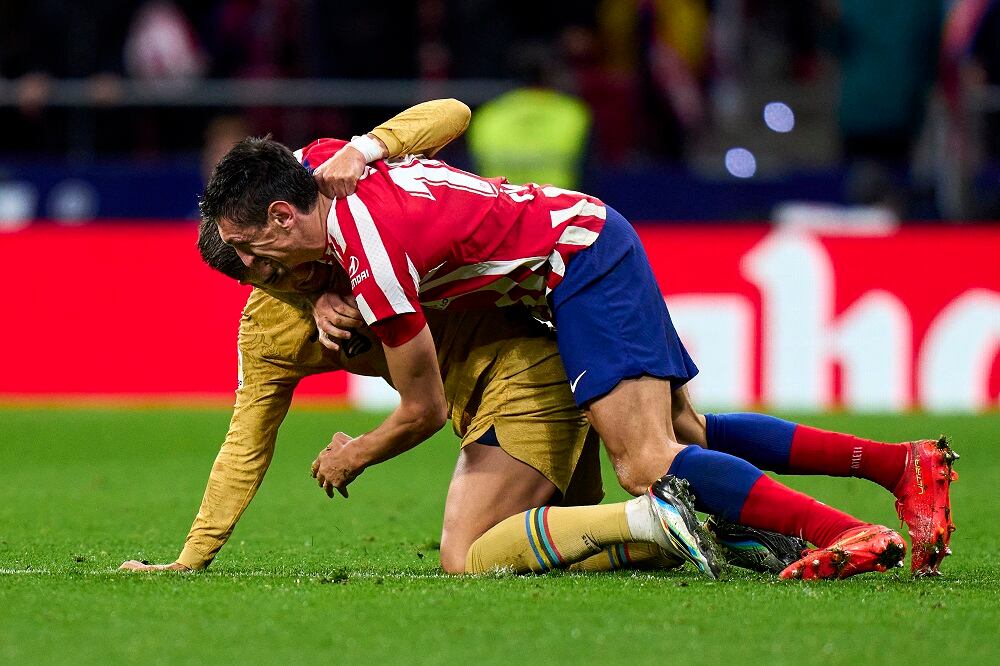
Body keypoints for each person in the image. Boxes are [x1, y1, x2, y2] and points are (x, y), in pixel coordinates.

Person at [201, 111, 957, 580]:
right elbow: (446, 116)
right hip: (585, 234)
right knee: (686, 434)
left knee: (646, 462)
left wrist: (355, 450)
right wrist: (361, 167)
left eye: (250, 253)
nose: (252, 273)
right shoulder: (326, 168)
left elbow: (425, 408)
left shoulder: (376, 262)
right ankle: (901, 466)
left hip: (577, 263)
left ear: (278, 217)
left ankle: (840, 532)